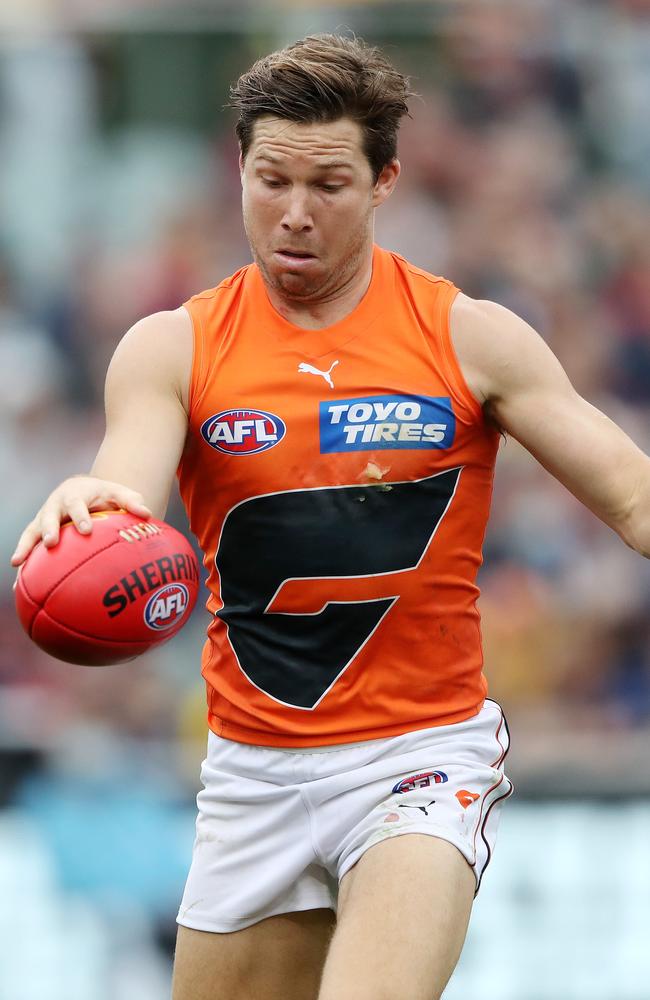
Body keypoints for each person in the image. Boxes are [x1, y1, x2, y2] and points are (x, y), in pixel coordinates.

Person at [11, 33, 650, 1000]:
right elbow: (124, 496)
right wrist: (85, 505)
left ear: (386, 179)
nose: (295, 214)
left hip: (420, 759)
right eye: (271, 179)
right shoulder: (171, 348)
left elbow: (634, 494)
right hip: (252, 773)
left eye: (331, 184)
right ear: (239, 169)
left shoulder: (470, 339)